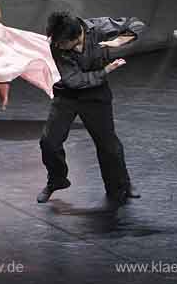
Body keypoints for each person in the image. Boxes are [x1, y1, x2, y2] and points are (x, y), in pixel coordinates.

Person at [38, 11, 146, 206]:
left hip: (96, 94)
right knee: (49, 142)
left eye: (63, 43)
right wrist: (105, 71)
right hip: (68, 95)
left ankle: (121, 185)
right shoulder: (57, 44)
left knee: (108, 145)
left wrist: (119, 41)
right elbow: (74, 81)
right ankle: (57, 180)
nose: (58, 46)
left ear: (77, 36)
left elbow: (137, 24)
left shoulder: (98, 28)